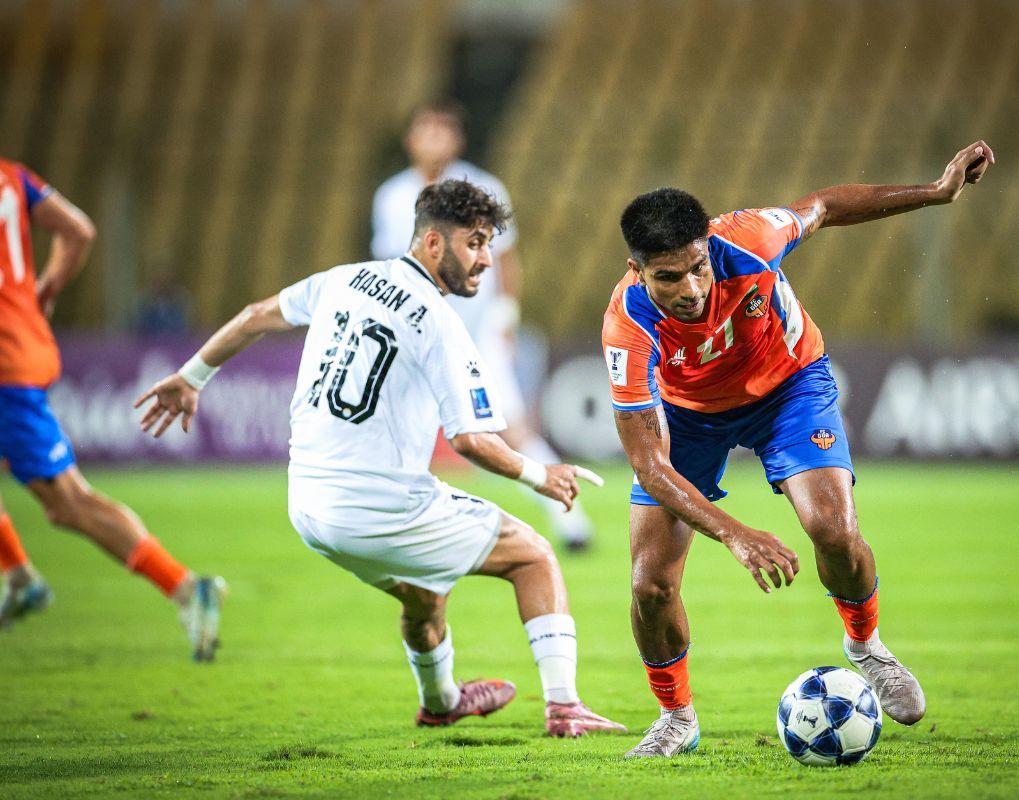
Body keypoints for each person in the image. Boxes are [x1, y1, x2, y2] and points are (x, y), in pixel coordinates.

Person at [136, 180, 625, 736]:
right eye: (476, 243)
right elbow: (469, 440)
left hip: (310, 510)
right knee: (534, 557)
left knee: (423, 596)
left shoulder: (343, 279)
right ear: (434, 244)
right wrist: (541, 474)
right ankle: (565, 708)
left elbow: (254, 315)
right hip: (381, 505)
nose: (487, 259)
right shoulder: (441, 324)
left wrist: (192, 376)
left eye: (489, 244)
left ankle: (441, 701)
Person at [604, 142, 996, 757]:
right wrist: (735, 533)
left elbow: (824, 206)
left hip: (787, 385)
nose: (690, 287)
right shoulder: (627, 327)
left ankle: (865, 644)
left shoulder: (751, 238)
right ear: (637, 270)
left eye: (696, 266)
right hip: (688, 417)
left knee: (834, 531)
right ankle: (676, 715)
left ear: (707, 244)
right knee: (650, 584)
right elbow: (650, 465)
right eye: (667, 277)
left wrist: (934, 190)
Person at [0, 157, 225, 659]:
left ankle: (187, 587)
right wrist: (46, 290)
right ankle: (17, 574)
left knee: (68, 502)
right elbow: (77, 230)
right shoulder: (13, 176)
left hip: (4, 364)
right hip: (23, 346)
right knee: (65, 502)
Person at [372, 98, 594, 551]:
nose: (434, 138)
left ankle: (570, 518)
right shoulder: (392, 196)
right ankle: (397, 527)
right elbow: (387, 268)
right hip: (414, 332)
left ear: (458, 138)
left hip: (475, 334)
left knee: (509, 426)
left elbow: (507, 258)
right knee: (396, 424)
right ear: (410, 139)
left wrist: (505, 317)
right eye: (425, 129)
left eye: (443, 129)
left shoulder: (483, 187)